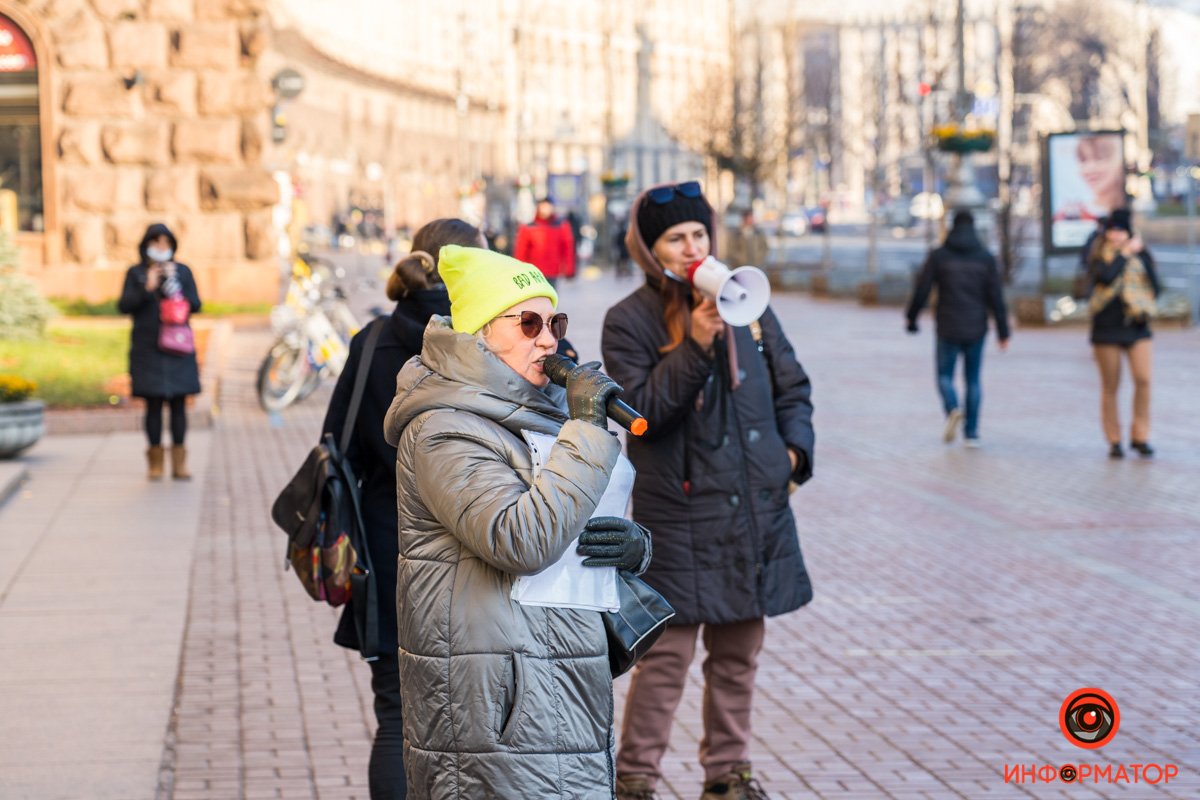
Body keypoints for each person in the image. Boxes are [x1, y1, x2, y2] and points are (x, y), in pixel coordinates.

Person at [382, 245, 651, 798]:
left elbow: (572, 509)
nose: (549, 340)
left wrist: (631, 547)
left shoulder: (546, 413)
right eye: (528, 323)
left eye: (555, 322)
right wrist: (589, 431)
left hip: (566, 679)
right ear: (479, 333)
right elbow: (521, 540)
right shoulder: (443, 430)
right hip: (499, 708)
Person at [600, 181, 816, 800]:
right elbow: (641, 413)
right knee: (665, 660)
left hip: (753, 510)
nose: (692, 247)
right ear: (650, 251)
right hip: (680, 515)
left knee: (739, 657)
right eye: (676, 238)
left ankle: (728, 774)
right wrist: (695, 343)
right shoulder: (629, 321)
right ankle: (636, 778)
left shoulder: (750, 305)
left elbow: (792, 388)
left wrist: (791, 456)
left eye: (699, 235)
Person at [320, 218, 486, 800]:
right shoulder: (486, 338)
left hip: (388, 551)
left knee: (397, 719)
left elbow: (335, 446)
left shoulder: (372, 342)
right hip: (474, 553)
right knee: (475, 722)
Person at [906, 210, 1011, 448]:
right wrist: (1003, 332)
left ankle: (953, 408)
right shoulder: (985, 257)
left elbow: (922, 289)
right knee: (973, 379)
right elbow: (996, 297)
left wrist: (911, 318)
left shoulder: (939, 256)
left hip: (947, 325)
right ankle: (972, 433)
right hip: (976, 327)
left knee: (944, 376)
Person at [118, 223, 202, 481]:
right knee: (152, 404)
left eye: (166, 243)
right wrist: (148, 287)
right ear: (146, 245)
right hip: (148, 348)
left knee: (178, 403)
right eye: (156, 243)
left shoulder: (182, 271)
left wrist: (173, 284)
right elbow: (124, 305)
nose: (161, 248)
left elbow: (196, 304)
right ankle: (155, 463)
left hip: (177, 345)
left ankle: (179, 463)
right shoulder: (136, 273)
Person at [1085, 208, 1159, 459]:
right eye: (1113, 230)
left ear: (1129, 233)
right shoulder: (1097, 254)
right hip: (1106, 328)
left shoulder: (1141, 254)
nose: (1116, 235)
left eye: (1121, 231)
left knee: (1144, 380)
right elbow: (1105, 278)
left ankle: (1141, 435)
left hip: (1137, 326)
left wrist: (1139, 256)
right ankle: (1114, 439)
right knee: (1111, 386)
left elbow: (1156, 287)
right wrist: (1125, 255)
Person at [513, 196, 575, 286]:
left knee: (551, 297)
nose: (545, 210)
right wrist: (519, 270)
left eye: (548, 207)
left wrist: (569, 269)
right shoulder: (528, 228)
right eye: (543, 207)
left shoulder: (561, 226)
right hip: (534, 272)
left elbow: (567, 248)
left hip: (553, 271)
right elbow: (521, 250)